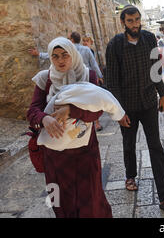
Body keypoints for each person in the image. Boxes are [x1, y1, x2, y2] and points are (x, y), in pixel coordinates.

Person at [26, 37, 113, 218]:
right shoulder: (45, 78)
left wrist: (71, 110)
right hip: (56, 157)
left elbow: (97, 112)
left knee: (90, 201)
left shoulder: (88, 76)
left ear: (72, 54)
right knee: (61, 204)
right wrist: (44, 119)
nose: (60, 60)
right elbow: (33, 110)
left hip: (84, 153)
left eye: (65, 55)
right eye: (55, 56)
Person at [105, 5, 164, 211]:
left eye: (137, 20)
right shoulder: (115, 46)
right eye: (130, 21)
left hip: (148, 102)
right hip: (127, 106)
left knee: (155, 146)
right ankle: (130, 176)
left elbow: (156, 69)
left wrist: (162, 94)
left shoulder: (149, 39)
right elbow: (112, 81)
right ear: (123, 23)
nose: (135, 24)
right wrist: (118, 111)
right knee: (128, 144)